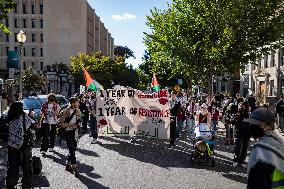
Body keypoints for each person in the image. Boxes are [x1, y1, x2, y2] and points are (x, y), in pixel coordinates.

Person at [246, 108, 284, 189]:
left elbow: (256, 183)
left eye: (257, 124)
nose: (252, 127)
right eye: (252, 123)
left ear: (270, 125)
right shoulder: (279, 141)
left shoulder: (261, 148)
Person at [6, 102, 35, 189]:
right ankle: (26, 185)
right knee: (26, 167)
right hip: (25, 146)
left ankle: (11, 184)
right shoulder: (23, 117)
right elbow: (33, 124)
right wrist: (31, 115)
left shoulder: (9, 118)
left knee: (12, 167)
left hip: (12, 147)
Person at [58, 97, 81, 177]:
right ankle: (74, 166)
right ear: (73, 103)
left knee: (73, 148)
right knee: (71, 148)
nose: (79, 104)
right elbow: (60, 124)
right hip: (66, 132)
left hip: (74, 132)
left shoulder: (78, 111)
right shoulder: (64, 112)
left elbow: (79, 120)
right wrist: (70, 125)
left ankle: (68, 165)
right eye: (77, 102)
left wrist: (78, 125)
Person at [231, 102, 251, 168]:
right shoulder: (237, 114)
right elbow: (232, 122)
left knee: (245, 150)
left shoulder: (249, 115)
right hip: (238, 134)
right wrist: (237, 116)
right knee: (238, 149)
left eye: (242, 106)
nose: (240, 108)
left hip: (247, 135)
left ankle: (242, 162)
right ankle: (236, 161)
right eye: (239, 106)